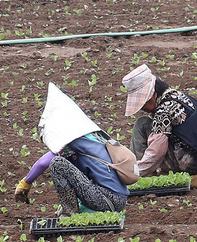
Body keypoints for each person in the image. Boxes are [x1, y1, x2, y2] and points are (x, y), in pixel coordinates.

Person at [16, 84, 130, 215]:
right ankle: (75, 209)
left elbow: (43, 163)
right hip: (116, 200)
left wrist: (26, 182)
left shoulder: (73, 142)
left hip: (108, 200)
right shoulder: (89, 137)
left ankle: (69, 213)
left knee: (57, 164)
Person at [122, 64, 197, 177]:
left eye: (143, 102)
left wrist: (135, 172)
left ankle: (142, 176)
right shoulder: (177, 96)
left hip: (188, 163)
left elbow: (156, 152)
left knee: (142, 124)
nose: (142, 107)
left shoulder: (163, 111)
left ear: (153, 94)